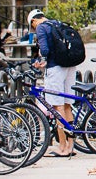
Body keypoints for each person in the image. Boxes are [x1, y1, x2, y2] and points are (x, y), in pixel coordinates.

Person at [29, 9, 78, 157]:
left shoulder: (41, 27)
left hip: (55, 68)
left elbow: (44, 50)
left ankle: (62, 147)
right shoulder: (56, 23)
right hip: (70, 65)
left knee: (57, 107)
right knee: (68, 105)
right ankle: (71, 146)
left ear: (33, 21)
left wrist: (40, 62)